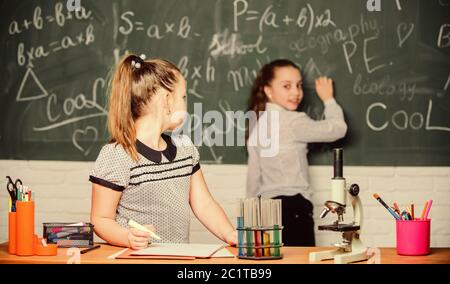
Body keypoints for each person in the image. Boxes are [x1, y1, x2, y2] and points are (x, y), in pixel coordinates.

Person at [90, 54, 237, 250]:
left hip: (178, 258)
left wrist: (230, 234)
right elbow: (100, 219)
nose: (186, 103)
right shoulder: (117, 155)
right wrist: (127, 237)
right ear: (167, 100)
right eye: (183, 97)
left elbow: (203, 203)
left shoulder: (185, 148)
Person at [246, 59, 347, 246]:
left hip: (265, 212)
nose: (296, 92)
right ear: (268, 91)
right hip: (294, 209)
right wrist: (328, 99)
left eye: (299, 85)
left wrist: (250, 219)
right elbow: (337, 129)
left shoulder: (257, 124)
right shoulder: (293, 121)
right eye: (286, 86)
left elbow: (253, 179)